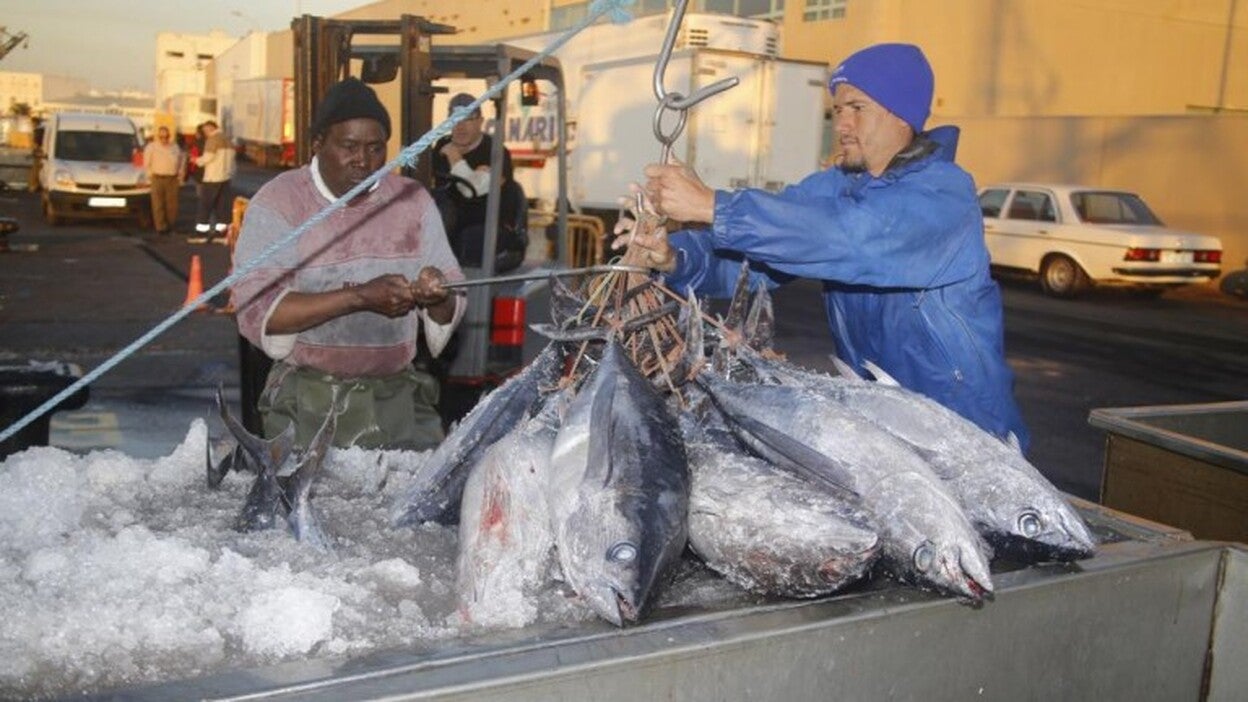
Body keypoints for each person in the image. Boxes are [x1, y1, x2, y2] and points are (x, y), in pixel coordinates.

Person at [618, 43, 1030, 450]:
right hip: (885, 428)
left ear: (901, 115)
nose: (843, 124)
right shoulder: (838, 188)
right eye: (838, 110)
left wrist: (713, 206)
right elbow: (759, 256)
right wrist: (676, 255)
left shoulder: (943, 195)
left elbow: (848, 238)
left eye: (858, 108)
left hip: (965, 432)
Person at [232, 77, 466, 451]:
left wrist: (437, 293)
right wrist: (358, 298)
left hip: (397, 400)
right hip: (308, 403)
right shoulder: (280, 202)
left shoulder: (411, 200)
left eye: (376, 148)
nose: (364, 160)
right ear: (318, 144)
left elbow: (451, 295)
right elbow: (257, 309)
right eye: (349, 146)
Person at [431, 92, 526, 271]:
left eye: (468, 119)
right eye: (455, 119)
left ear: (480, 121)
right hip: (450, 223)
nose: (460, 126)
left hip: (488, 226)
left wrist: (454, 157)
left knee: (469, 239)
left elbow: (472, 189)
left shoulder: (496, 152)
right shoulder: (440, 146)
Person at [193, 119, 235, 242]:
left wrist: (196, 160)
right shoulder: (228, 140)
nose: (205, 132)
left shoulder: (213, 139)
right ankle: (221, 234)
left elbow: (208, 158)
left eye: (206, 130)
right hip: (225, 178)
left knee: (205, 206)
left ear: (211, 128)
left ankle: (201, 233)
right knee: (222, 207)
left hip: (212, 178)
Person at [142, 126, 185, 236]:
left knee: (172, 205)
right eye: (161, 137)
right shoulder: (151, 147)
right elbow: (146, 163)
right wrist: (150, 176)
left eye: (166, 136)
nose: (164, 139)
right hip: (157, 178)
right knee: (158, 204)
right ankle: (160, 227)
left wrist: (180, 175)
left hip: (172, 178)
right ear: (158, 136)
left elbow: (181, 161)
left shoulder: (175, 147)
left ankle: (171, 225)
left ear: (169, 136)